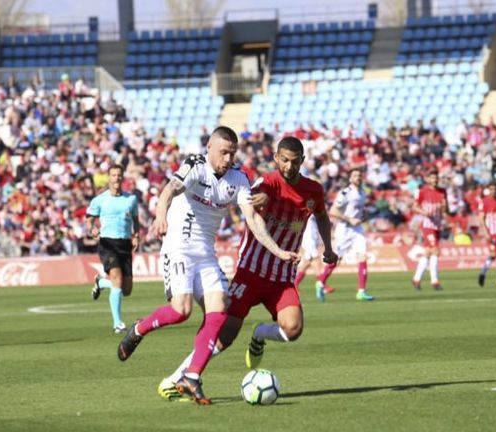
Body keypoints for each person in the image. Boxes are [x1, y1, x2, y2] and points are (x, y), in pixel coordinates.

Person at [115, 127, 299, 404]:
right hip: (178, 247)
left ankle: (192, 377)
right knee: (182, 310)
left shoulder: (238, 178)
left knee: (219, 309)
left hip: (205, 254)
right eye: (223, 152)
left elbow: (252, 217)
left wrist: (277, 250)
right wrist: (160, 217)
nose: (228, 158)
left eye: (232, 153)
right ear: (210, 148)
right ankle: (139, 329)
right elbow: (168, 191)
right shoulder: (195, 166)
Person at [157, 137, 338, 403]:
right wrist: (260, 198)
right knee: (224, 334)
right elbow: (253, 195)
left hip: (282, 277)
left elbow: (322, 216)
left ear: (302, 161)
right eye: (284, 160)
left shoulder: (313, 190)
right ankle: (176, 378)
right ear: (276, 158)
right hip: (250, 273)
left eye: (294, 161)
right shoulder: (266, 182)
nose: (288, 166)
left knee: (293, 329)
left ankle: (258, 335)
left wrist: (328, 248)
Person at [86, 164, 140, 333]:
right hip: (107, 243)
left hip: (124, 244)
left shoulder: (131, 199)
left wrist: (136, 235)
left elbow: (136, 220)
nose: (116, 178)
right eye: (113, 175)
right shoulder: (100, 200)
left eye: (119, 175)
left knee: (126, 289)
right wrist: (92, 229)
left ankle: (101, 283)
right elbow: (89, 220)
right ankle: (117, 323)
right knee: (117, 278)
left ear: (122, 178)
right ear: (109, 178)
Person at [315, 168, 375, 302]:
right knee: (336, 260)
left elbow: (359, 210)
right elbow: (333, 211)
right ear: (350, 178)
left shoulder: (363, 192)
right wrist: (349, 219)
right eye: (355, 175)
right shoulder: (345, 193)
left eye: (360, 175)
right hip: (344, 229)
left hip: (357, 229)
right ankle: (320, 282)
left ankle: (361, 291)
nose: (358, 177)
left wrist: (363, 216)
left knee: (363, 256)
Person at [411, 170, 449, 291]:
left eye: (436, 178)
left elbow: (445, 209)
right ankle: (434, 281)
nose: (435, 180)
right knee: (436, 250)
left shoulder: (443, 192)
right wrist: (424, 212)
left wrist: (444, 208)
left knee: (427, 252)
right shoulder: (422, 191)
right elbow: (414, 207)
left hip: (437, 225)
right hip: (427, 225)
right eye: (432, 178)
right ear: (427, 179)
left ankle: (416, 278)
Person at [293, 214, 324, 288]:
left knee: (307, 264)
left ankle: (295, 284)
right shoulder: (301, 216)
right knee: (316, 262)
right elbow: (296, 230)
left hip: (311, 242)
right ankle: (321, 284)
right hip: (308, 243)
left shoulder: (312, 218)